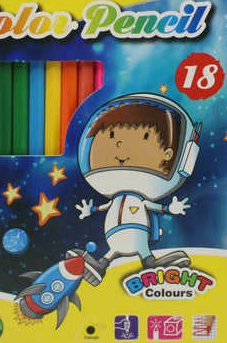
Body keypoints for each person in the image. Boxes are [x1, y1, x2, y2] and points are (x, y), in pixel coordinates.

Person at [68, 93, 201, 286]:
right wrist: (90, 210)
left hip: (136, 232)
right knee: (113, 250)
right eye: (111, 136)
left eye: (144, 137)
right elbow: (104, 207)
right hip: (115, 233)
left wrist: (169, 209)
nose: (120, 145)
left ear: (172, 155)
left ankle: (151, 264)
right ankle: (100, 266)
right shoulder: (113, 192)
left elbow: (153, 207)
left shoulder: (142, 197)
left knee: (137, 249)